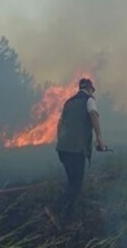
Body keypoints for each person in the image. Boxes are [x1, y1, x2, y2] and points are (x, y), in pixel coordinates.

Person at [44, 78, 105, 230]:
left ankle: (67, 219)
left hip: (63, 149)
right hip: (76, 151)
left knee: (73, 184)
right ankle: (54, 209)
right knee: (76, 185)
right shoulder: (89, 100)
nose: (93, 93)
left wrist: (63, 141)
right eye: (93, 90)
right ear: (90, 88)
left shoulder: (68, 103)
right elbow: (93, 116)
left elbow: (59, 124)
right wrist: (99, 138)